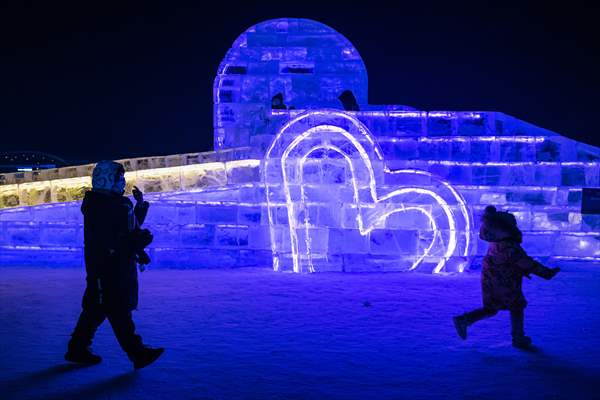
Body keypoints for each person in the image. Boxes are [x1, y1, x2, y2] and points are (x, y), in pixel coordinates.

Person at [65, 160, 164, 369]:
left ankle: (77, 348)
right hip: (106, 269)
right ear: (108, 180)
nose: (123, 182)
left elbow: (127, 228)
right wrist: (138, 242)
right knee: (117, 310)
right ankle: (137, 353)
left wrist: (139, 207)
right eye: (120, 178)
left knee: (96, 309)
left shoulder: (114, 203)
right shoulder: (100, 207)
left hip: (116, 266)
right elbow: (111, 241)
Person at [453, 205, 560, 349]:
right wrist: (546, 273)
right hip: (505, 280)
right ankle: (518, 338)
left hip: (491, 279)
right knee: (516, 307)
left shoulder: (496, 242)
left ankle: (464, 320)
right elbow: (525, 262)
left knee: (491, 308)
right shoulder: (509, 245)